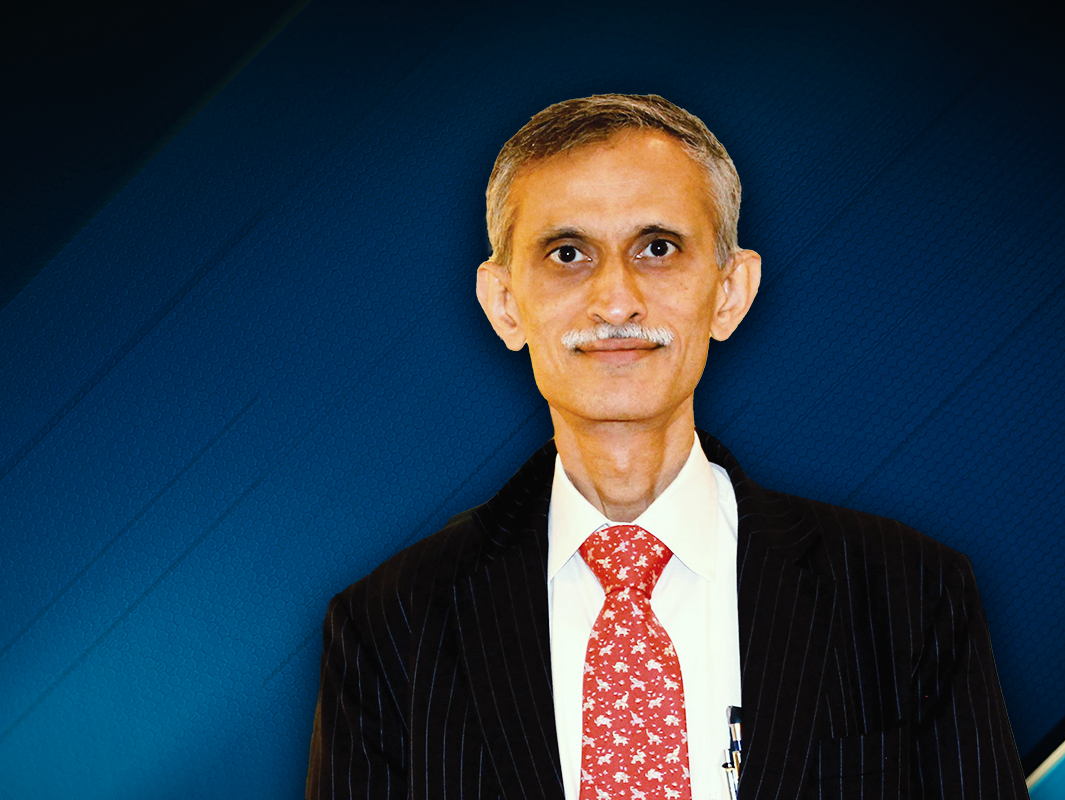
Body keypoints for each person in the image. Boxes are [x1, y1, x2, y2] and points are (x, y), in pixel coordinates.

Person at [306, 94, 1028, 800]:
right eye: (567, 253)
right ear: (504, 304)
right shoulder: (388, 626)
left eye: (657, 248)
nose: (616, 301)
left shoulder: (909, 595)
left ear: (730, 291)